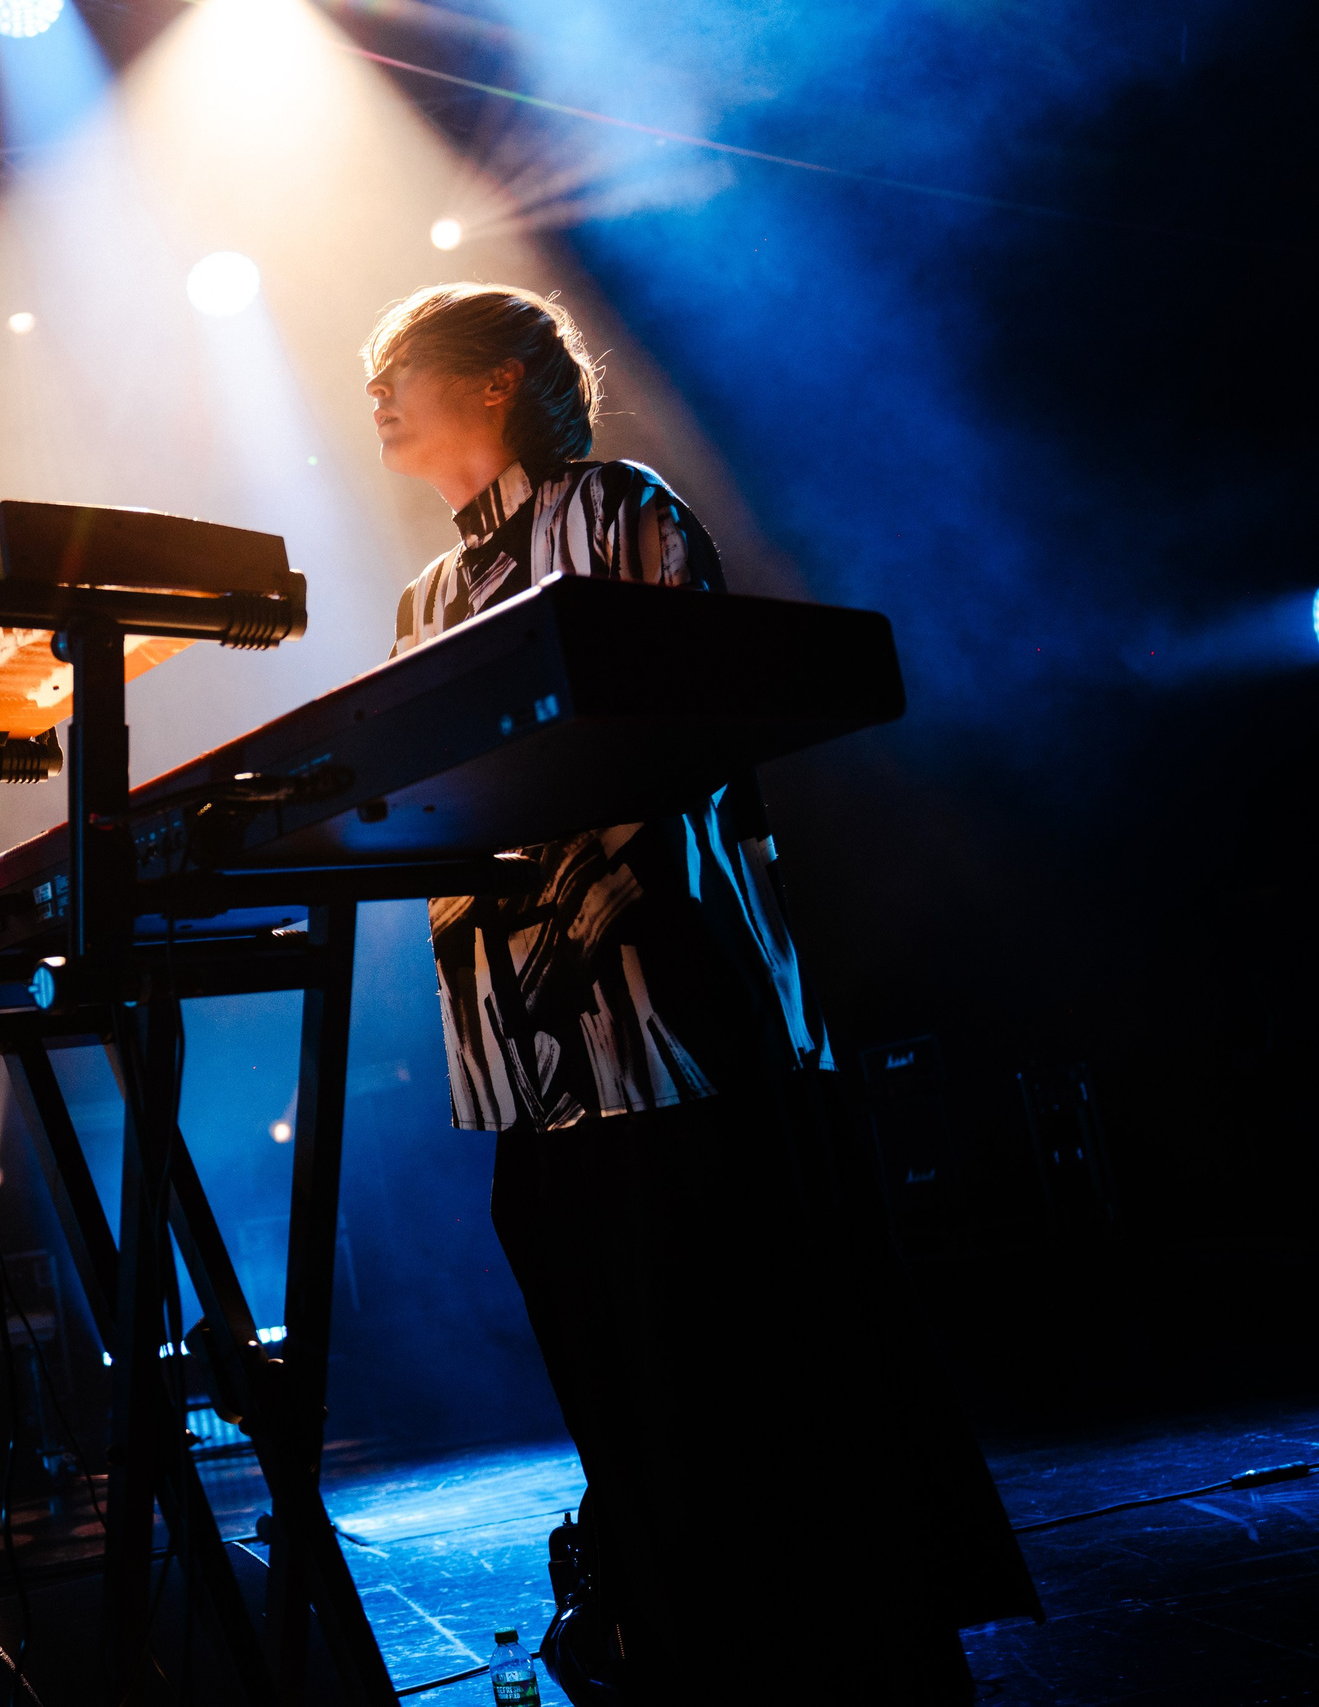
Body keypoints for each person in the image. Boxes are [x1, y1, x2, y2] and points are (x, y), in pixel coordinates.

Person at [365, 283, 1037, 1703]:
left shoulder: (623, 510)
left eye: (397, 374)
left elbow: (688, 730)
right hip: (527, 1067)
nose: (372, 400)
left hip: (672, 1028)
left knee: (742, 1345)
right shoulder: (424, 599)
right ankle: (677, 1621)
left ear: (493, 383)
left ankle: (821, 1625)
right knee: (612, 1355)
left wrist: (570, 914)